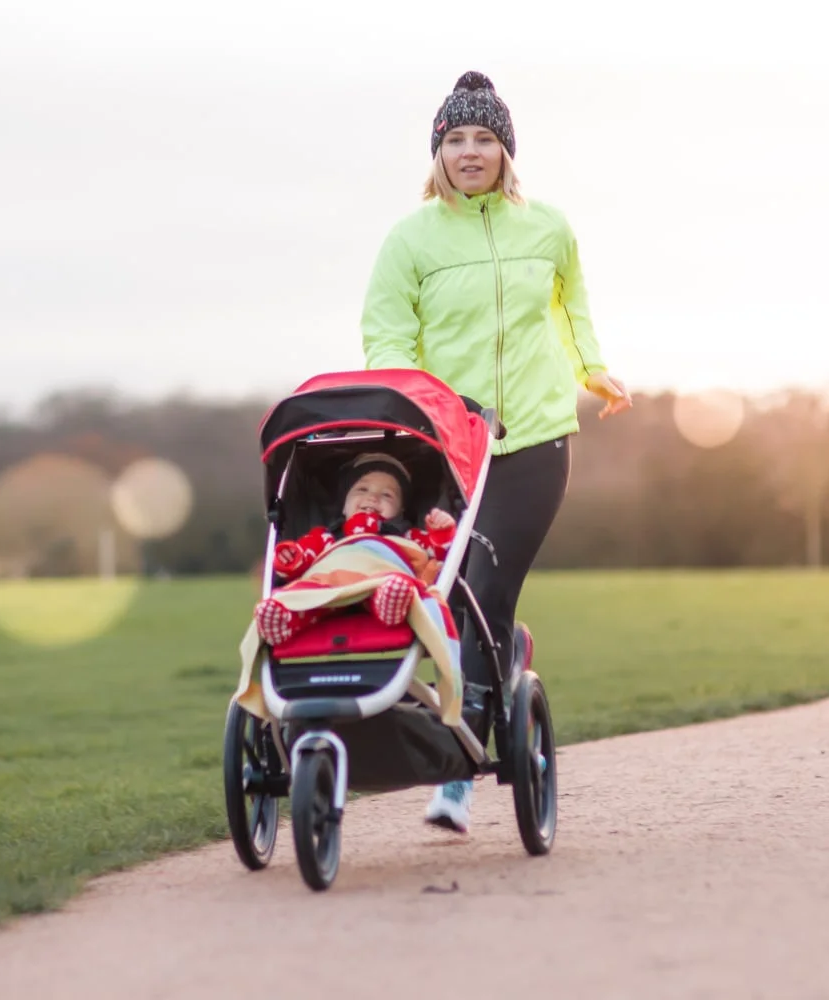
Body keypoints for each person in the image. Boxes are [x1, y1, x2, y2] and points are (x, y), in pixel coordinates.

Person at [359, 70, 632, 834]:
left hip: (535, 439)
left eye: (484, 138)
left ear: (507, 151)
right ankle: (496, 664)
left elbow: (571, 307)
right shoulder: (409, 239)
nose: (471, 151)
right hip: (447, 446)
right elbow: (387, 334)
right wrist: (411, 403)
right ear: (438, 152)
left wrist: (592, 369)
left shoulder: (548, 227)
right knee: (445, 595)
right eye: (456, 139)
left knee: (485, 588)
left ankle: (458, 772)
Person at [253, 453, 457, 645]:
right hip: (331, 587)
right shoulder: (326, 536)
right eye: (362, 489)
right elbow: (304, 554)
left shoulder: (407, 535)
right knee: (307, 591)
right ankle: (286, 617)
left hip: (379, 582)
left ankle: (390, 605)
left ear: (400, 511)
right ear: (344, 505)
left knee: (395, 584)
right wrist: (291, 558)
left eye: (387, 495)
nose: (373, 498)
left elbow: (438, 556)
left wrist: (441, 533)